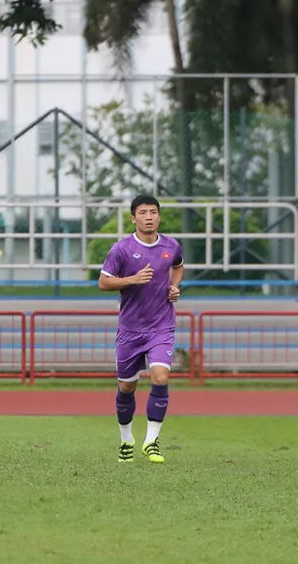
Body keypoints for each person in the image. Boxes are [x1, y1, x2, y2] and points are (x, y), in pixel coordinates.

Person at [98, 194, 184, 463]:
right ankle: (126, 440)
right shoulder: (121, 249)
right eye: (143, 212)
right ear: (133, 218)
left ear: (159, 216)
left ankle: (152, 441)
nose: (149, 217)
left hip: (161, 326)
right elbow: (103, 282)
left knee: (160, 377)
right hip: (130, 329)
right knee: (126, 387)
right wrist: (132, 279)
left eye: (153, 212)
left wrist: (174, 287)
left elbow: (178, 266)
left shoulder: (171, 245)